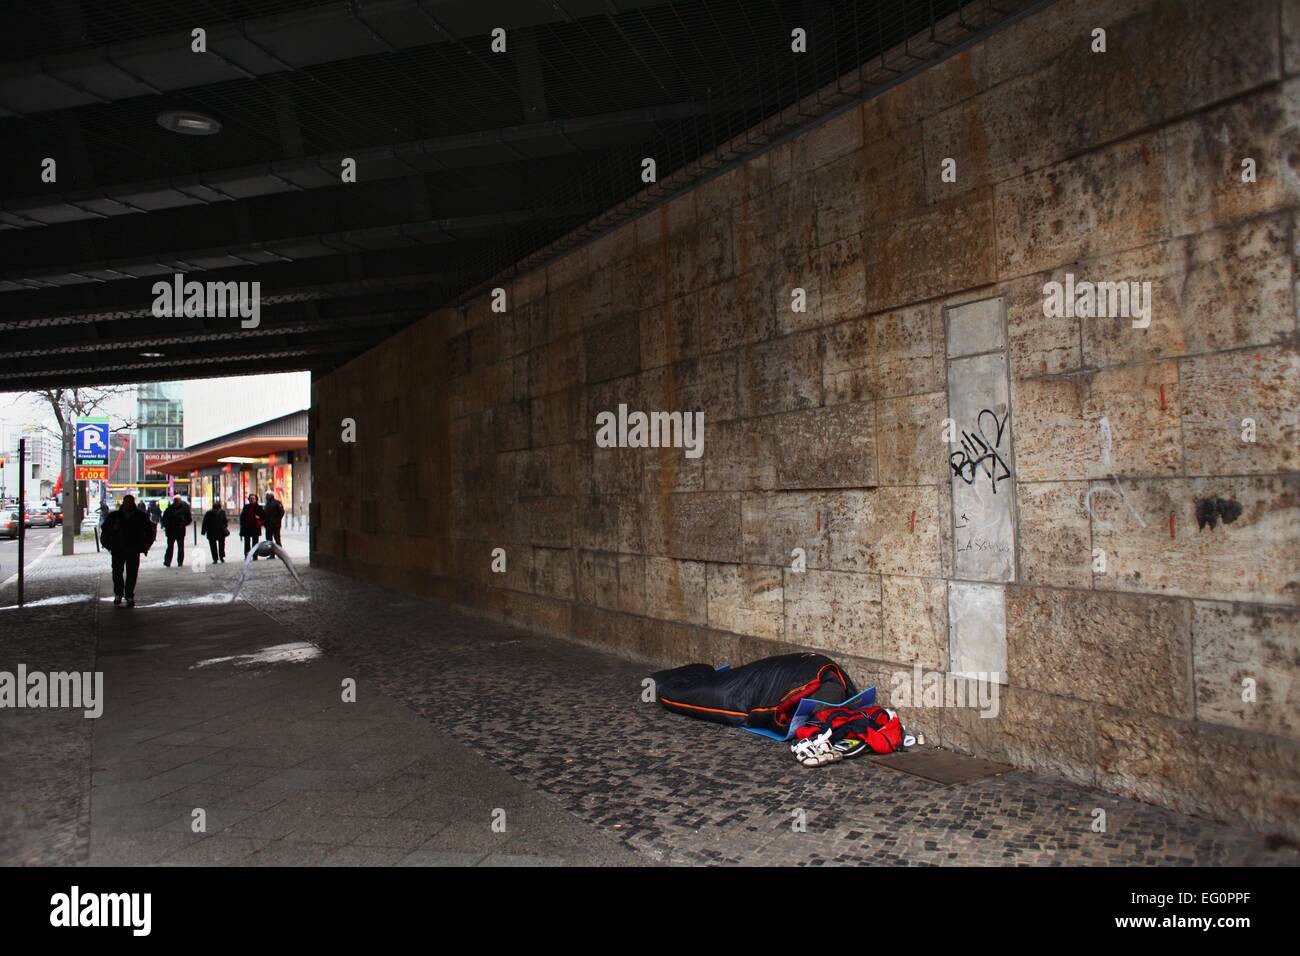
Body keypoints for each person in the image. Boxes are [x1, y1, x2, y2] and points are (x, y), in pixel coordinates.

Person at [101, 495, 156, 607]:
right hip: (118, 549)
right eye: (127, 502)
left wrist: (146, 545)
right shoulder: (114, 516)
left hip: (133, 548)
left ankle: (129, 594)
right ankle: (118, 594)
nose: (129, 504)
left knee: (132, 573)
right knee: (117, 572)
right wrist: (109, 544)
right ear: (124, 503)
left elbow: (150, 531)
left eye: (130, 502)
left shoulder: (140, 516)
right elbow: (105, 530)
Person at [161, 494, 192, 567]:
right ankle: (167, 561)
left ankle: (180, 561)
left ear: (180, 502)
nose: (176, 502)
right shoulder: (169, 509)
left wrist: (183, 524)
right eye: (175, 501)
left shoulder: (184, 509)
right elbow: (164, 519)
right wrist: (166, 525)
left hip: (180, 531)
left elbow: (189, 519)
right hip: (170, 531)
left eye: (178, 501)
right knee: (170, 547)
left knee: (180, 547)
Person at [239, 493, 265, 559]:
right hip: (247, 527)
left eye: (253, 499)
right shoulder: (246, 507)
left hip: (255, 527)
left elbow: (263, 517)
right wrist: (242, 525)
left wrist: (259, 517)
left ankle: (255, 555)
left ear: (256, 500)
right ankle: (247, 555)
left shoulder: (259, 507)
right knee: (247, 542)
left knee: (255, 543)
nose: (252, 500)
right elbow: (242, 517)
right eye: (251, 499)